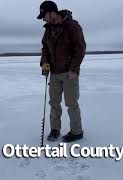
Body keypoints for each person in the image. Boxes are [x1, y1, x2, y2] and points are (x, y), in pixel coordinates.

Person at [37, 1, 86, 142]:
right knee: (54, 103)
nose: (43, 19)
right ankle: (55, 129)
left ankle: (77, 132)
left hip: (70, 73)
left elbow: (80, 48)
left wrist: (74, 69)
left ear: (52, 13)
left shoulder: (72, 26)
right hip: (54, 73)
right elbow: (44, 48)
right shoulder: (48, 30)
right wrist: (44, 63)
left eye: (44, 15)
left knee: (71, 103)